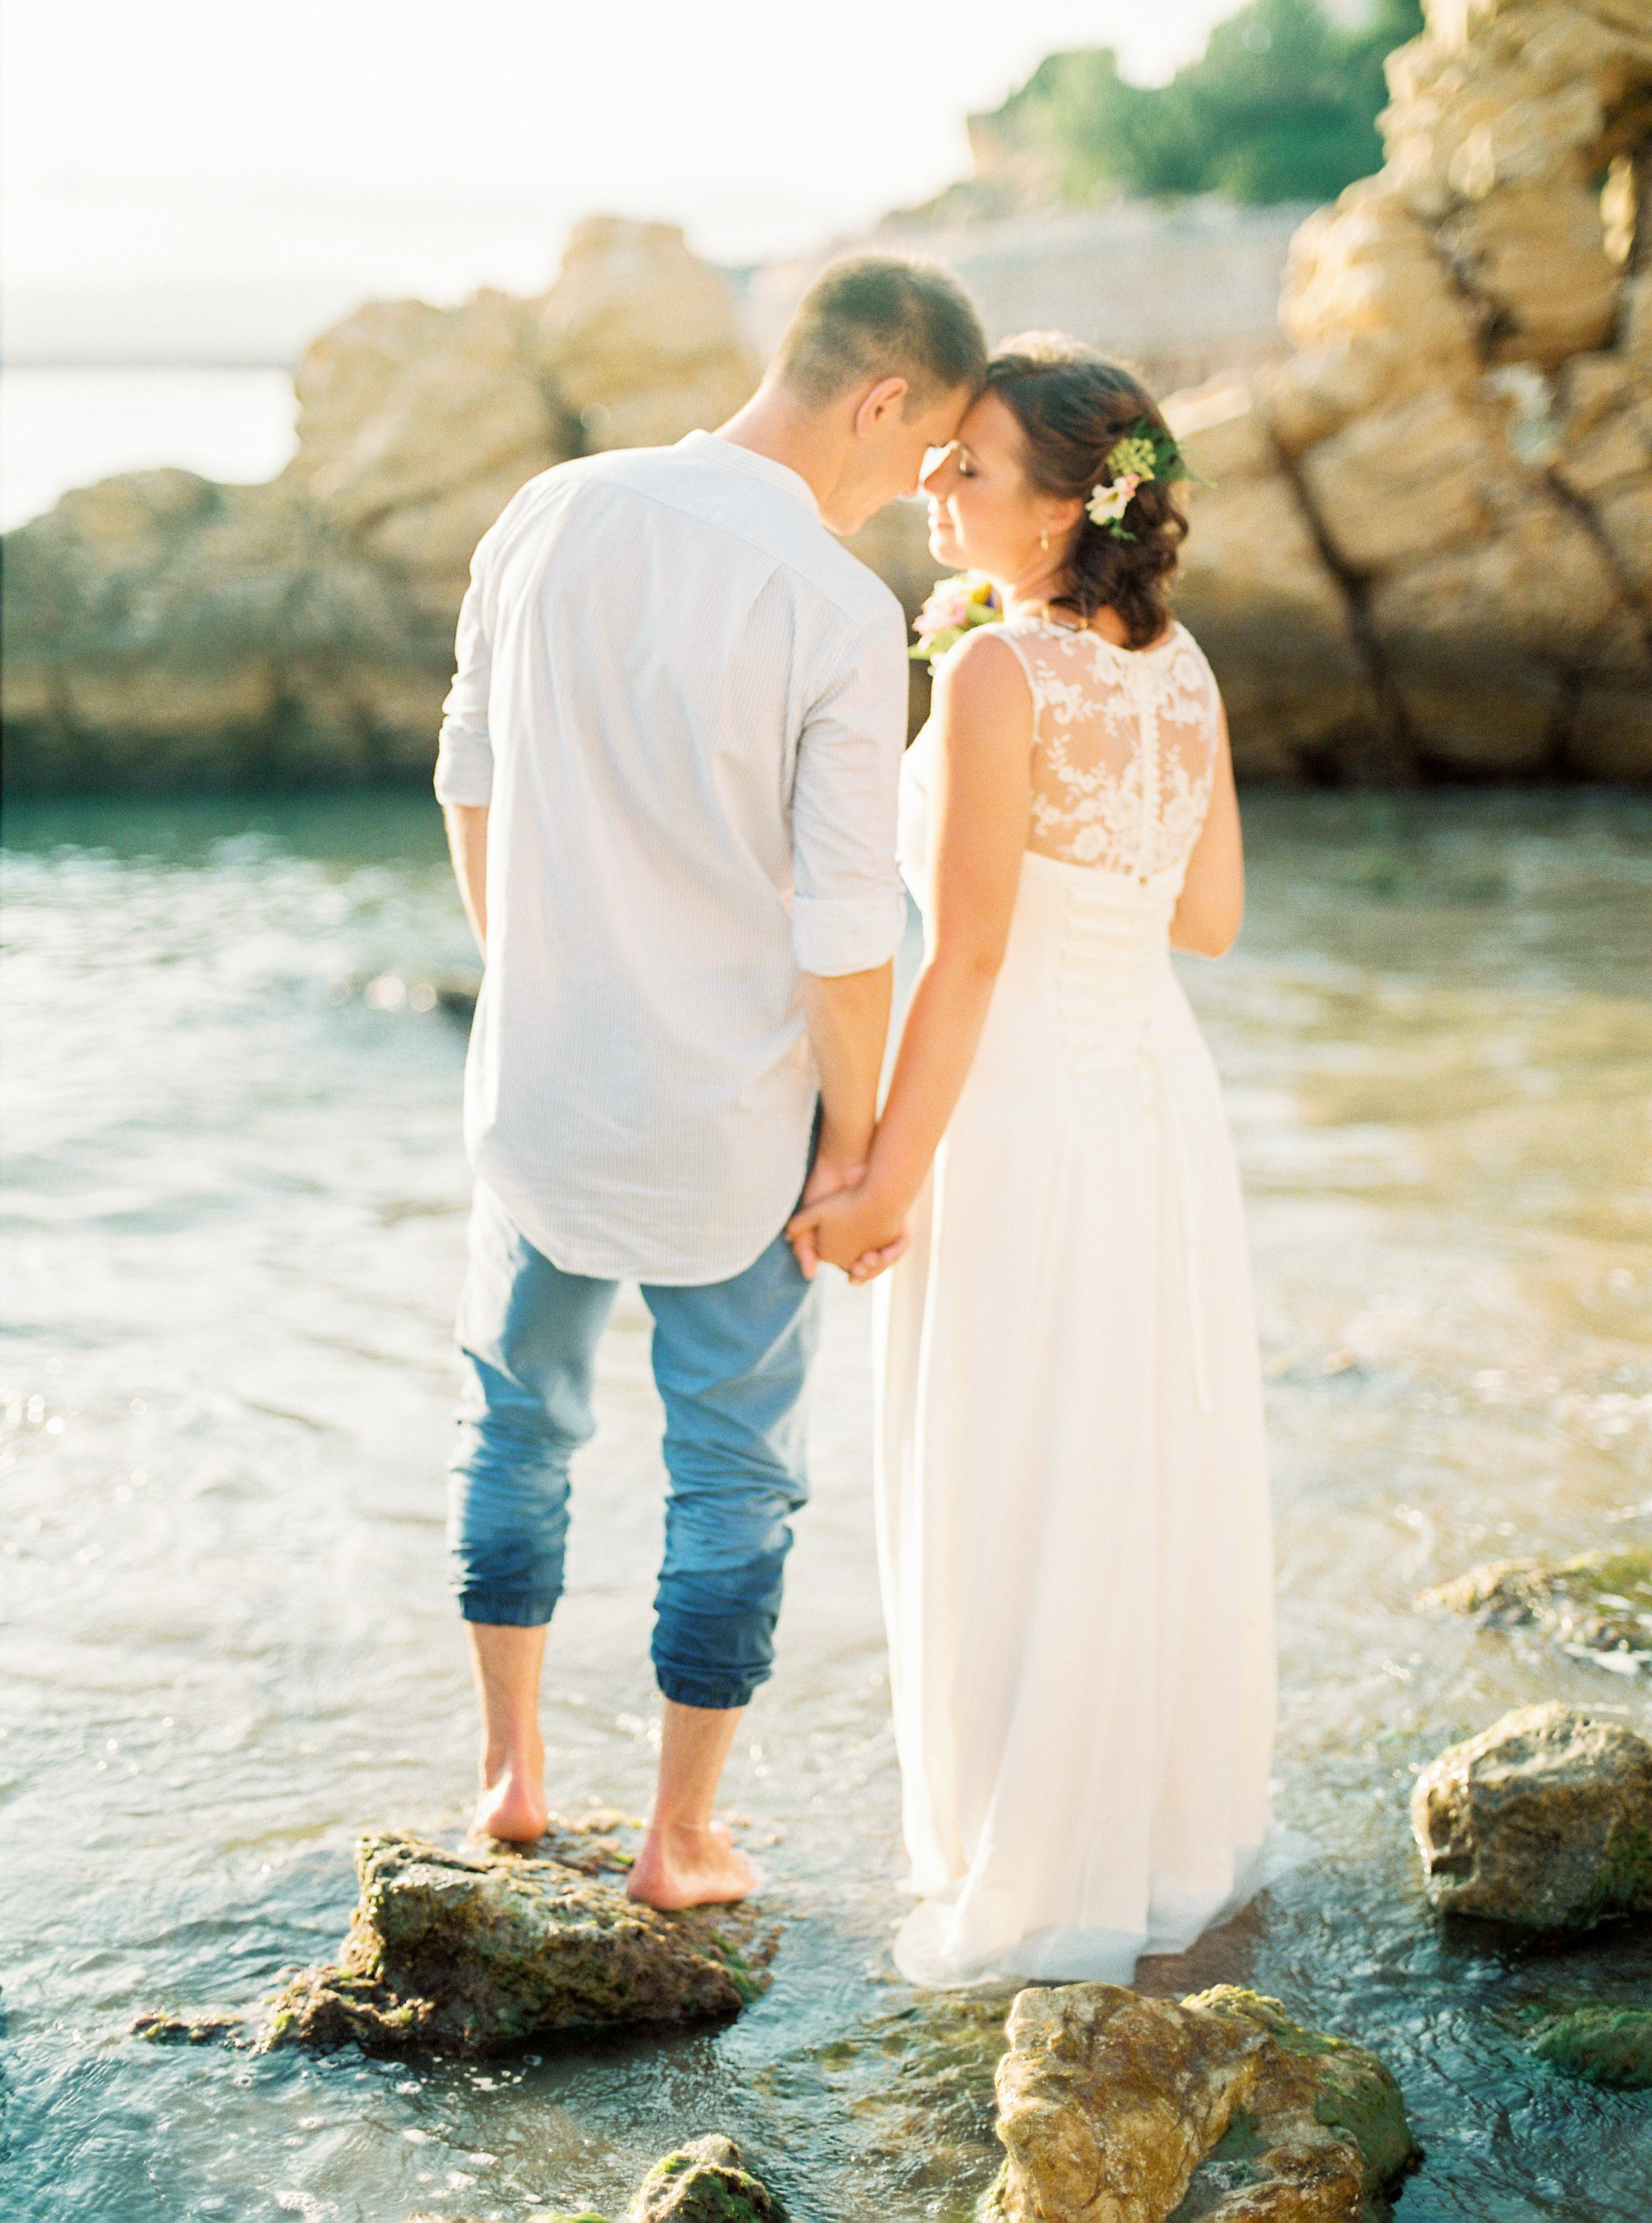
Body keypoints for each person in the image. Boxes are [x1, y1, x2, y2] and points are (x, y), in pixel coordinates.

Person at [433, 254, 987, 1908]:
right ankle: (679, 1843)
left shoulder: (550, 508)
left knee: (513, 1424)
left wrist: (539, 971)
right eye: (924, 449)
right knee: (733, 1471)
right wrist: (861, 1145)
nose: (915, 488)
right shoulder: (827, 604)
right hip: (727, 1128)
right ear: (881, 399)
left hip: (534, 1096)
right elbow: (841, 932)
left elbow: (467, 773)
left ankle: (508, 1781)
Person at [787, 336, 1276, 1986]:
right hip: (1153, 1105)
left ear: (1075, 504)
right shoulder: (1184, 670)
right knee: (1129, 1465)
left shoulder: (998, 678)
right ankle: (1145, 1843)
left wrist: (877, 1184)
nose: (935, 479)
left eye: (971, 465)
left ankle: (1020, 1853)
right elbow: (1204, 921)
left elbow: (966, 961)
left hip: (1018, 1120)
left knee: (1008, 1462)